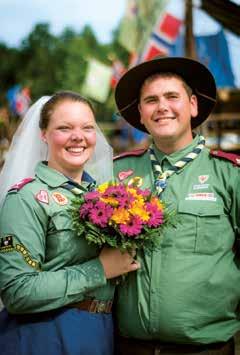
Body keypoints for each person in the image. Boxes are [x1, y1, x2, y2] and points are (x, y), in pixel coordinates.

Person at [113, 56, 240, 355]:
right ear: (141, 114)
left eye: (172, 96)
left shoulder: (229, 174)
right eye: (151, 100)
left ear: (193, 106)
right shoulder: (116, 175)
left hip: (206, 349)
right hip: (129, 347)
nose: (162, 107)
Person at [0, 91, 140, 355]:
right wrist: (99, 269)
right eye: (64, 128)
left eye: (87, 127)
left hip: (102, 331)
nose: (78, 136)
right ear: (44, 134)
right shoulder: (27, 197)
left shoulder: (106, 196)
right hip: (46, 333)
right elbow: (17, 291)